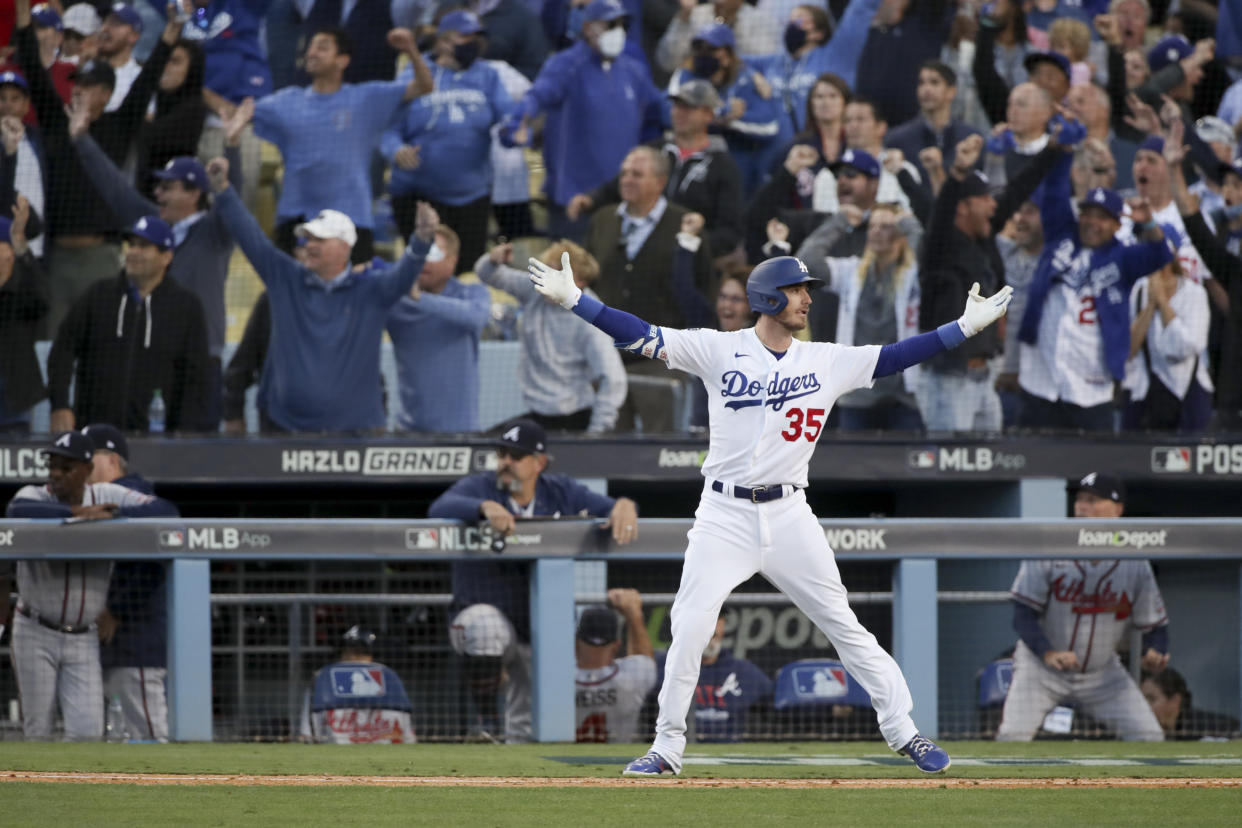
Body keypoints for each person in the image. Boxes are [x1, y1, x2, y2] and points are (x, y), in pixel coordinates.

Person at [527, 244, 1016, 776]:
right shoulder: (718, 349)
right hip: (723, 513)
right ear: (766, 297)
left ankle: (906, 734)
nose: (806, 299)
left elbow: (898, 356)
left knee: (843, 624)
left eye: (807, 290)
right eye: (797, 290)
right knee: (690, 626)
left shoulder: (826, 359)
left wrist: (963, 329)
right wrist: (576, 299)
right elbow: (640, 333)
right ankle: (667, 748)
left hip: (789, 514)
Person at [429, 418, 639, 743]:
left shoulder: (559, 491)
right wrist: (484, 507)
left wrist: (625, 504)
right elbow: (439, 508)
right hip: (481, 621)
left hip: (536, 631)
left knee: (528, 732)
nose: (505, 463)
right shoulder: (480, 487)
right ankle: (487, 725)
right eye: (502, 454)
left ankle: (515, 773)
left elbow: (612, 508)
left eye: (515, 456)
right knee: (486, 627)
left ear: (539, 462)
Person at [207, 154, 436, 433]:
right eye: (309, 238)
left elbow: (404, 275)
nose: (310, 245)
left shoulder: (372, 289)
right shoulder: (285, 278)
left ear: (344, 247)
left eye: (320, 239)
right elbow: (250, 236)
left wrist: (422, 240)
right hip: (284, 430)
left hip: (356, 434)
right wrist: (222, 190)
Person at [69, 100, 249, 429]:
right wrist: (82, 139)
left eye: (167, 187)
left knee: (196, 454)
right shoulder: (152, 226)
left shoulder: (215, 231)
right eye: (158, 186)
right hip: (153, 352)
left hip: (201, 359)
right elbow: (115, 190)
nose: (158, 193)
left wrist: (233, 146)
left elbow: (235, 203)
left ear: (194, 193)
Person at [14, 0, 179, 337]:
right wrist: (21, 12)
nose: (79, 91)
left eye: (88, 86)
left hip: (102, 257)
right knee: (53, 345)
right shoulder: (57, 124)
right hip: (58, 257)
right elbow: (31, 63)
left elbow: (146, 81)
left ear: (106, 93)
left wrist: (169, 35)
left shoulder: (118, 126)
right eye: (77, 85)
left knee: (104, 343)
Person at [3, 431, 178, 742]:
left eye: (66, 467)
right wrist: (78, 515)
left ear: (86, 470)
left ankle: (71, 788)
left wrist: (115, 514)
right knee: (37, 731)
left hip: (83, 636)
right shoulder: (35, 495)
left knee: (87, 732)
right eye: (52, 465)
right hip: (35, 629)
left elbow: (166, 512)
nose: (56, 474)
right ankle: (35, 789)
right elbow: (18, 513)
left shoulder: (106, 494)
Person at [997, 471, 1169, 741]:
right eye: (1079, 499)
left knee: (1149, 736)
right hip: (1041, 671)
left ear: (1118, 510)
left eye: (1092, 500)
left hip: (1103, 675)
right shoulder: (1050, 547)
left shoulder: (1135, 561)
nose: (1082, 506)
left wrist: (1157, 649)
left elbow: (1155, 625)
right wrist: (1048, 652)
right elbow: (1022, 615)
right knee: (1011, 737)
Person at [239, 25, 431, 263]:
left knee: (354, 297)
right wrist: (235, 119)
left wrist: (411, 50)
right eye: (310, 47)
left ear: (342, 60)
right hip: (296, 221)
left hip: (352, 221)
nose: (312, 53)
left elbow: (424, 86)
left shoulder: (367, 99)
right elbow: (242, 112)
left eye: (322, 47)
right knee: (291, 297)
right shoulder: (286, 102)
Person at [917, 130, 1066, 433]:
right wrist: (957, 173)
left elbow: (1015, 192)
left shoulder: (981, 239)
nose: (993, 205)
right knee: (950, 469)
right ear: (963, 207)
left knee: (992, 462)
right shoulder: (940, 247)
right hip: (949, 379)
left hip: (985, 377)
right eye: (984, 199)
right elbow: (942, 213)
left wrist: (1051, 149)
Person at [1017, 153, 1173, 432]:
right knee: (1034, 466)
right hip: (1041, 381)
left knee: (1091, 474)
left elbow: (1161, 254)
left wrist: (1148, 223)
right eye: (1087, 214)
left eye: (1102, 217)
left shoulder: (1123, 259)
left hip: (1091, 387)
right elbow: (1054, 189)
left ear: (1116, 225)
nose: (1092, 222)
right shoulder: (1059, 238)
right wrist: (1062, 149)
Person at [501, 0, 664, 241]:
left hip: (621, 198)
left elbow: (661, 108)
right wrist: (518, 124)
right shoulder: (566, 65)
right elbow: (536, 97)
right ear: (588, 28)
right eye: (610, 24)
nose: (617, 31)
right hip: (573, 200)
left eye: (622, 24)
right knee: (568, 275)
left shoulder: (632, 69)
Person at [583, 145, 715, 432]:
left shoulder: (686, 226)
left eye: (637, 174)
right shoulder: (603, 221)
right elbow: (587, 281)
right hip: (608, 360)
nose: (627, 180)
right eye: (624, 173)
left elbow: (702, 290)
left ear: (660, 181)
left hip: (663, 360)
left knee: (663, 451)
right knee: (610, 447)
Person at [47, 215, 213, 433]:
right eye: (131, 245)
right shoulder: (98, 296)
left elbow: (196, 376)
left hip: (159, 441)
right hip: (95, 437)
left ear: (166, 257)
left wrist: (185, 432)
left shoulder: (186, 306)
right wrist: (59, 404)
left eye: (144, 246)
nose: (133, 252)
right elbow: (62, 351)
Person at [381, 10, 515, 272]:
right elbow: (387, 129)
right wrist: (396, 150)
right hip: (418, 196)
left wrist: (516, 131)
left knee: (467, 273)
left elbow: (508, 118)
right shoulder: (414, 75)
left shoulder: (488, 75)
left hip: (471, 196)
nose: (474, 43)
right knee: (424, 272)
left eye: (477, 36)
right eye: (466, 36)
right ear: (443, 41)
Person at [567, 79, 744, 265]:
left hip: (688, 261)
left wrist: (691, 248)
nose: (678, 113)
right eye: (676, 106)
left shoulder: (723, 166)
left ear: (708, 114)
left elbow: (730, 230)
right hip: (639, 250)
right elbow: (619, 185)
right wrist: (591, 199)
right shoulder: (654, 150)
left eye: (688, 108)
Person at [474, 239, 626, 433]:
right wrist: (493, 259)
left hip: (574, 418)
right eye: (547, 272)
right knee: (487, 447)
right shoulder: (534, 290)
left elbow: (614, 379)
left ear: (580, 282)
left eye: (558, 276)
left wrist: (595, 434)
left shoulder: (592, 320)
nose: (548, 281)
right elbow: (486, 273)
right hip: (538, 415)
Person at [798, 203, 924, 431]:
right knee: (852, 464)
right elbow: (805, 264)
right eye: (872, 226)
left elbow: (927, 254)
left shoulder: (913, 273)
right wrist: (838, 223)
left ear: (900, 235)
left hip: (903, 393)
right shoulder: (851, 272)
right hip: (857, 394)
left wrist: (909, 225)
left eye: (886, 226)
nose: (876, 231)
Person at [82, 422, 169, 743]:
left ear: (112, 461)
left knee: (147, 737)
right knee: (113, 741)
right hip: (105, 646)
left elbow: (153, 567)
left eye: (90, 458)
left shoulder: (137, 498)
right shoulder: (88, 501)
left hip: (137, 645)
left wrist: (115, 610)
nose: (82, 466)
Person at [386, 224, 490, 433]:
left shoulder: (472, 293)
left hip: (461, 432)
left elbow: (477, 317)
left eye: (433, 254)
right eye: (419, 253)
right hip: (409, 432)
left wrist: (420, 299)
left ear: (453, 260)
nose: (424, 261)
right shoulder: (396, 300)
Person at [666, 23, 786, 197]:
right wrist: (723, 113)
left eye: (712, 49)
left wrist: (728, 120)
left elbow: (769, 126)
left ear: (727, 57)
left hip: (735, 173)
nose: (703, 53)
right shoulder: (685, 75)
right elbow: (668, 113)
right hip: (688, 170)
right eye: (698, 47)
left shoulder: (745, 80)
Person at [1122, 227, 1213, 432]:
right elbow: (1129, 350)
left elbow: (1187, 346)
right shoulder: (1139, 291)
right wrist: (1150, 305)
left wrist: (1163, 302)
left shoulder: (1194, 294)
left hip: (1189, 391)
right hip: (1147, 390)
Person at [748, 0, 880, 134]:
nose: (791, 25)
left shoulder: (838, 54)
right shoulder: (774, 62)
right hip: (779, 149)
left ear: (819, 32)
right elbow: (732, 61)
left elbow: (862, 8)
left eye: (799, 20)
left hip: (826, 143)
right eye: (790, 21)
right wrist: (753, 74)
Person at [300, 625, 415, 744]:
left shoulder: (322, 676)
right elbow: (408, 738)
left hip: (335, 753)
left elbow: (307, 736)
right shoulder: (390, 676)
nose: (354, 655)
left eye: (359, 651)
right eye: (353, 650)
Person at [574, 589, 657, 743]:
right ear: (616, 646)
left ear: (576, 643)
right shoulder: (627, 679)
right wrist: (633, 613)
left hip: (565, 757)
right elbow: (644, 660)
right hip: (617, 758)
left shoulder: (561, 681)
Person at [884, 60, 982, 190]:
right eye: (921, 83)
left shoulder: (970, 138)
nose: (926, 89)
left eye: (934, 82)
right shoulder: (897, 139)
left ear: (951, 91)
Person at [994, 200, 1043, 429]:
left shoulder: (1056, 261)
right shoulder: (1001, 252)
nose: (1020, 219)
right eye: (1018, 212)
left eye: (1030, 212)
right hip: (1002, 384)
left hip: (1042, 387)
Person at [0, 199, 47, 435]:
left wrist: (21, 244)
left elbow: (41, 301)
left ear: (9, 251)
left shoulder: (22, 290)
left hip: (12, 406)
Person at [686, 615, 773, 742]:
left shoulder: (743, 670)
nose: (711, 641)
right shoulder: (668, 665)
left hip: (731, 745)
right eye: (707, 635)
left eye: (716, 636)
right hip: (680, 745)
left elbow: (773, 702)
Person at [655, 0, 779, 76]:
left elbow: (767, 68)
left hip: (744, 95)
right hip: (698, 91)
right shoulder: (694, 14)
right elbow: (667, 62)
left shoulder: (762, 20)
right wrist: (684, 19)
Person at [1140, 667, 1241, 741]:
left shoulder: (1212, 731)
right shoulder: (1137, 734)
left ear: (1175, 701)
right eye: (1141, 699)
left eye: (1151, 699)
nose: (1144, 706)